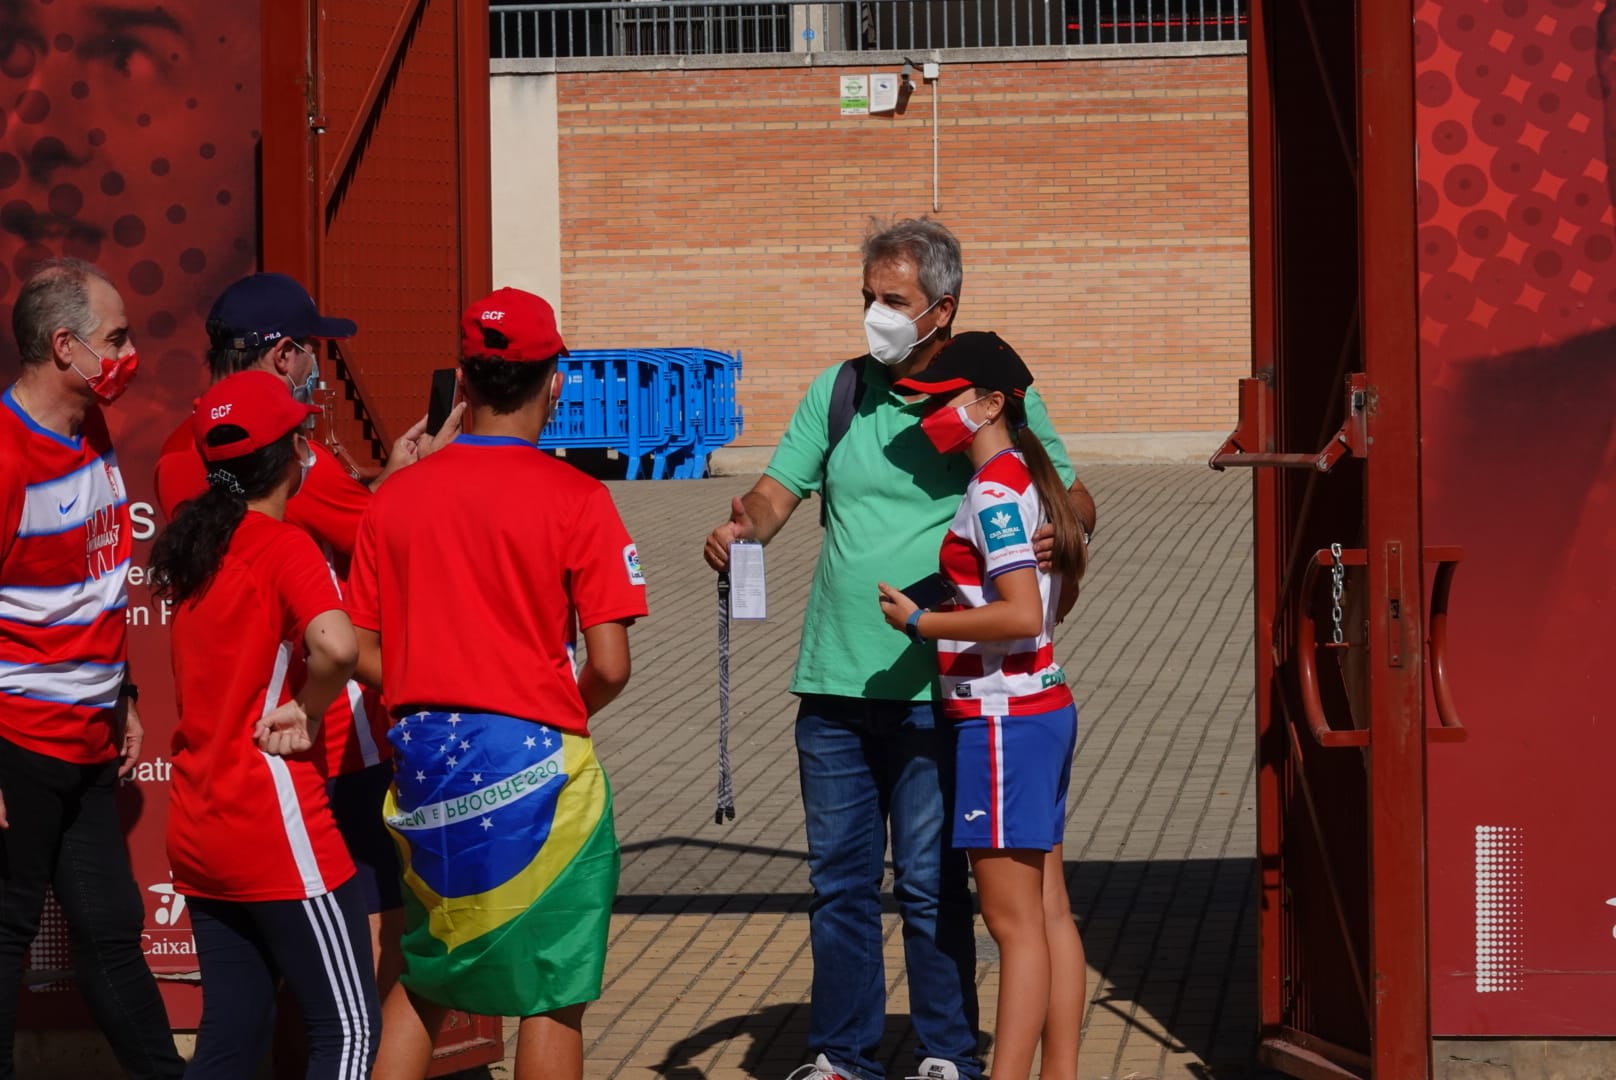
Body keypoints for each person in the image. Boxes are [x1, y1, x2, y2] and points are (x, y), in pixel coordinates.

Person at [702, 218, 1095, 1080]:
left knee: (929, 885)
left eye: (894, 301)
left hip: (943, 690)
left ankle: (946, 1051)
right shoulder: (841, 392)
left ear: (940, 308)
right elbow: (777, 493)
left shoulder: (978, 399)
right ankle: (842, 1054)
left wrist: (1040, 549)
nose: (875, 316)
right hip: (836, 681)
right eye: (869, 298)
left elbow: (1070, 502)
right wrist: (742, 527)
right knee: (839, 887)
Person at [346, 288, 646, 1080]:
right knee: (552, 993)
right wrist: (542, 705)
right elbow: (611, 665)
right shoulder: (579, 498)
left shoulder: (394, 500)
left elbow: (357, 648)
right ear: (555, 381)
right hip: (541, 768)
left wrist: (436, 687)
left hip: (425, 766)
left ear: (463, 381)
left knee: (426, 978)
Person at [152, 273, 461, 1014]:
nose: (318, 368)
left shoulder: (175, 451)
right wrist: (424, 475)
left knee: (253, 998)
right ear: (284, 354)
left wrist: (386, 477)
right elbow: (373, 537)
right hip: (328, 732)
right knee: (366, 950)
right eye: (313, 350)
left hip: (229, 741)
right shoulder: (295, 459)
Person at [147, 369, 378, 1078]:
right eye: (303, 439)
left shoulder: (197, 549)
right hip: (276, 829)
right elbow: (338, 645)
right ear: (288, 458)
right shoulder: (284, 547)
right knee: (348, 1031)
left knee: (232, 1035)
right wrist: (311, 709)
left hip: (198, 825)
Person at [876, 332, 1087, 1080]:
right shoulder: (1023, 478)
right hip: (1037, 710)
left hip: (1001, 720)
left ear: (992, 404)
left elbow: (1021, 614)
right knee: (1049, 912)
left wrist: (920, 623)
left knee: (1014, 926)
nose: (930, 414)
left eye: (943, 400)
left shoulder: (995, 490)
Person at [0, 258, 184, 1079]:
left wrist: (126, 692)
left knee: (110, 930)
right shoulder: (6, 458)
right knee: (5, 935)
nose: (130, 352)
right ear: (63, 345)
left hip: (90, 737)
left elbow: (99, 585)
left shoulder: (91, 425)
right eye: (116, 338)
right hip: (19, 741)